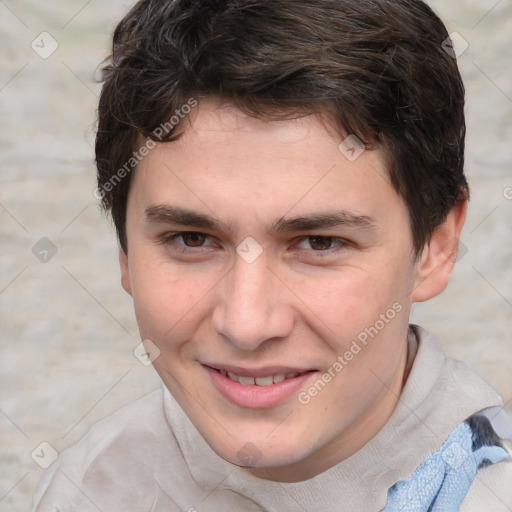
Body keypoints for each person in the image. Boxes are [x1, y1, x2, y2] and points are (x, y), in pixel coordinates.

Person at [31, 0, 512, 510]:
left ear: (436, 246)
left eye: (319, 243)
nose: (246, 323)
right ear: (124, 251)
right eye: (192, 239)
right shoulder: (85, 488)